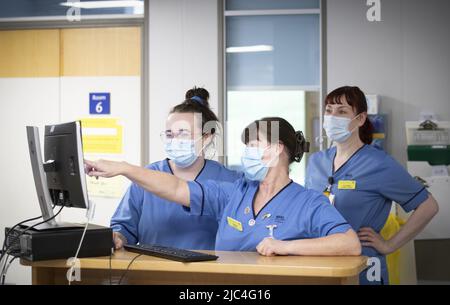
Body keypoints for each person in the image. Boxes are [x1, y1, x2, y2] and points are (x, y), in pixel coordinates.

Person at [86, 117, 361, 257]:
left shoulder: (308, 202)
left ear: (276, 150)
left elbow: (349, 243)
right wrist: (125, 168)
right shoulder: (234, 191)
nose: (246, 153)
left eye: (253, 145)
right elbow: (175, 188)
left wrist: (287, 247)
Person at [305, 86, 439, 284]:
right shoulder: (316, 162)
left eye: (342, 111)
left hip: (363, 267)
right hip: (321, 263)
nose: (332, 117)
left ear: (359, 119)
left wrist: (390, 245)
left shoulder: (379, 164)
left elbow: (429, 206)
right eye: (329, 110)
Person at [110, 87, 241, 250]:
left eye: (184, 134)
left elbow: (243, 234)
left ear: (207, 137)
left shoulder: (229, 180)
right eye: (170, 135)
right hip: (151, 271)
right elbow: (123, 229)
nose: (175, 141)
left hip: (208, 273)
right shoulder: (147, 177)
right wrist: (118, 237)